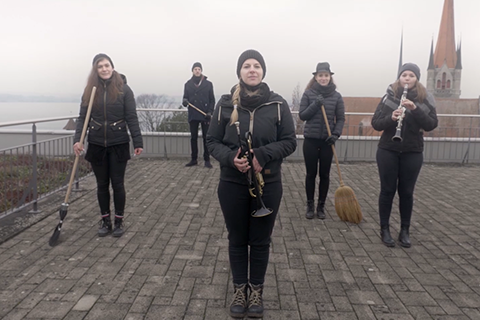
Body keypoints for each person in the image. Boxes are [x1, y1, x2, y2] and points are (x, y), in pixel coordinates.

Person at [207, 49, 296, 318]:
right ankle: (239, 290)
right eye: (247, 66)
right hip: (232, 183)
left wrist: (263, 155)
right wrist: (230, 159)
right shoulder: (224, 105)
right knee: (237, 239)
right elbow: (212, 141)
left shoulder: (278, 105)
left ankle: (255, 290)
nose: (252, 70)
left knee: (259, 241)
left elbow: (290, 141)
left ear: (263, 71)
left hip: (268, 183)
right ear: (239, 72)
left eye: (257, 65)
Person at [73, 53, 143, 238]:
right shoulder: (90, 90)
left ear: (112, 67)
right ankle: (105, 221)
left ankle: (119, 221)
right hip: (96, 144)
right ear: (95, 70)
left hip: (118, 143)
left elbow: (131, 117)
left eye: (107, 65)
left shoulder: (124, 90)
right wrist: (77, 140)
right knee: (102, 185)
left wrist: (138, 141)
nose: (104, 69)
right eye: (100, 66)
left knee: (118, 184)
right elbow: (82, 119)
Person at [371, 63, 438, 248]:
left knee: (406, 192)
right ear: (399, 78)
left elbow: (431, 124)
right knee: (387, 190)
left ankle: (404, 230)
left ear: (417, 79)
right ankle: (384, 229)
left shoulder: (425, 99)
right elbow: (376, 123)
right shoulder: (389, 97)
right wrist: (391, 118)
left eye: (411, 75)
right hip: (388, 150)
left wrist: (415, 110)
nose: (407, 78)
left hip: (412, 151)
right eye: (404, 75)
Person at [298, 62, 345, 220]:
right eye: (320, 75)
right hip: (311, 141)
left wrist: (336, 134)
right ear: (316, 77)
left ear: (330, 77)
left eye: (326, 75)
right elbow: (303, 115)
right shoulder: (308, 94)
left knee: (324, 175)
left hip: (327, 141)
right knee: (311, 174)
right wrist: (316, 104)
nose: (323, 78)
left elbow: (341, 119)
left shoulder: (336, 96)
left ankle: (321, 206)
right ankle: (310, 205)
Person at [182, 62, 215, 168]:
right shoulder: (187, 84)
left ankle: (207, 159)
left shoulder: (208, 84)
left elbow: (212, 100)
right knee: (193, 138)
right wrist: (185, 102)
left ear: (201, 71)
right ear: (192, 71)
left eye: (199, 69)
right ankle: (194, 159)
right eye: (195, 69)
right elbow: (184, 99)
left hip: (205, 114)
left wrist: (210, 111)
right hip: (193, 114)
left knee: (206, 137)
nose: (197, 71)